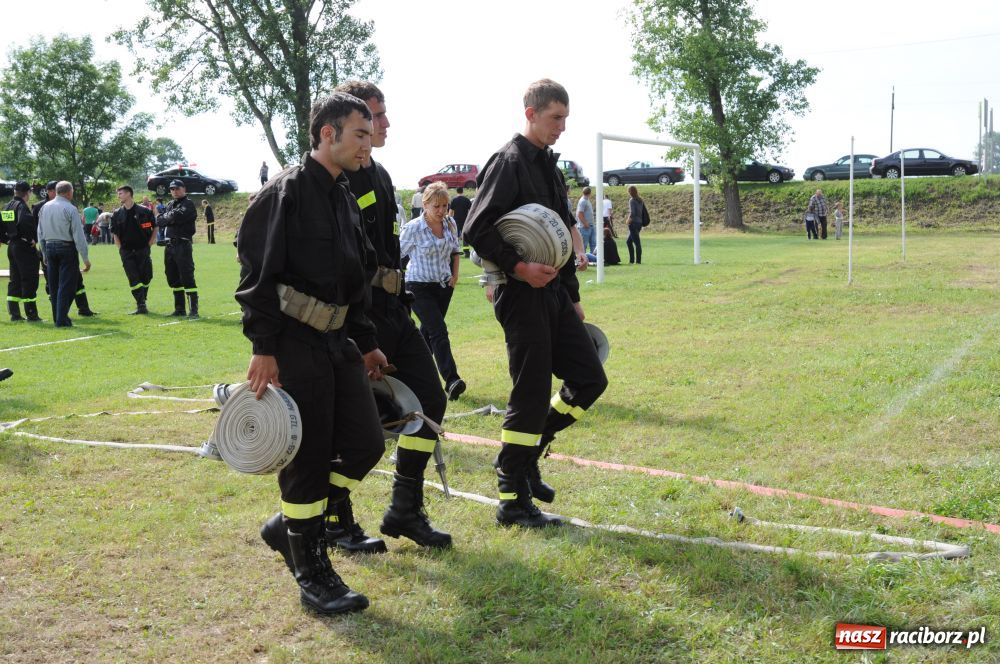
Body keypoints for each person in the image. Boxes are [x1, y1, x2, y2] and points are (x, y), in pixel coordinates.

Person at [237, 92, 384, 615]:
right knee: (307, 459)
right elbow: (257, 276)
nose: (368, 144)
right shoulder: (285, 193)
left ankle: (291, 526)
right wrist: (264, 348)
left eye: (369, 134)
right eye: (360, 134)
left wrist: (366, 342)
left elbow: (355, 277)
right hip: (293, 343)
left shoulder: (344, 195)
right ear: (328, 133)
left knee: (366, 444)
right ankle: (312, 572)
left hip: (338, 341)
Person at [463, 78, 608, 528]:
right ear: (531, 113)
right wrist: (520, 267)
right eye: (555, 118)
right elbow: (475, 228)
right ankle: (511, 498)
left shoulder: (550, 166)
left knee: (589, 378)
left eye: (565, 118)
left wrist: (572, 296)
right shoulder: (508, 162)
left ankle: (529, 451)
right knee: (528, 393)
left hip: (555, 295)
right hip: (520, 294)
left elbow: (561, 234)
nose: (562, 126)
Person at [335, 80, 452, 551]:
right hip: (358, 315)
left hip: (394, 309)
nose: (383, 124)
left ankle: (404, 508)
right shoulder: (336, 180)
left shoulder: (381, 177)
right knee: (356, 423)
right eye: (374, 117)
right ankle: (333, 518)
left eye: (381, 116)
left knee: (430, 401)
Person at [400, 182, 464, 398]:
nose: (441, 210)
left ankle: (413, 376)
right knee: (438, 330)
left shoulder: (450, 223)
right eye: (436, 206)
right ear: (425, 204)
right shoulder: (413, 228)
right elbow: (396, 255)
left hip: (443, 287)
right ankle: (452, 379)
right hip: (417, 286)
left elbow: (455, 251)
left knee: (427, 335)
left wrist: (455, 276)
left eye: (445, 206)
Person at [34, 181, 96, 318]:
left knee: (54, 286)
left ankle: (57, 317)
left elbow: (40, 233)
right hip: (67, 248)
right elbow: (78, 236)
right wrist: (85, 259)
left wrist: (44, 253)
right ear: (69, 192)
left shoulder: (44, 207)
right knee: (68, 285)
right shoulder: (70, 208)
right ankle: (62, 319)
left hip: (49, 247)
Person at [156, 179, 199, 318]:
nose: (174, 191)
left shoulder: (188, 203)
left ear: (184, 189)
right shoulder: (170, 204)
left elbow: (177, 216)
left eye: (177, 188)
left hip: (182, 244)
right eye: (172, 189)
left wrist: (168, 218)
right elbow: (160, 220)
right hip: (169, 245)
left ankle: (193, 310)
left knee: (187, 275)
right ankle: (179, 309)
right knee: (172, 276)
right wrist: (169, 217)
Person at [110, 185, 156, 314]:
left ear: (129, 194)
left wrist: (150, 243)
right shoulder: (117, 214)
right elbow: (115, 233)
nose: (118, 196)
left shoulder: (144, 211)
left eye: (120, 193)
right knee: (133, 277)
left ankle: (143, 298)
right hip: (126, 251)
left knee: (147, 276)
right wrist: (120, 249)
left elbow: (155, 226)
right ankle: (141, 305)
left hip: (143, 249)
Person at [2, 181, 43, 322]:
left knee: (15, 280)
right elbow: (25, 222)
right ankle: (32, 315)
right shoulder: (22, 206)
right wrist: (31, 238)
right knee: (29, 279)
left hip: (12, 246)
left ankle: (15, 314)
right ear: (28, 192)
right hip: (24, 247)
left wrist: (7, 240)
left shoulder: (7, 206)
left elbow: (1, 227)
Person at [626, 185, 645, 264]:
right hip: (639, 223)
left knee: (637, 243)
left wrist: (628, 220)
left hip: (633, 223)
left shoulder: (632, 200)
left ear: (630, 192)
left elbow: (633, 213)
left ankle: (638, 261)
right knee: (629, 242)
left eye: (628, 191)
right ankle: (631, 261)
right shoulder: (640, 200)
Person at [576, 186, 597, 255]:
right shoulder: (583, 201)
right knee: (584, 245)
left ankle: (593, 258)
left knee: (593, 244)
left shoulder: (586, 200)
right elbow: (580, 214)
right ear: (590, 193)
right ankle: (583, 259)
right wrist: (585, 223)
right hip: (585, 227)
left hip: (590, 225)